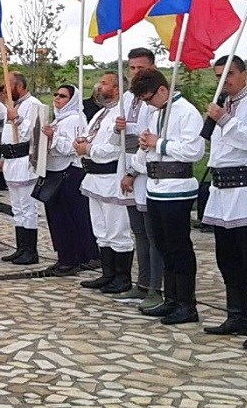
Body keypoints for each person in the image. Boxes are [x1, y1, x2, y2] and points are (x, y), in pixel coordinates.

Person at [200, 55, 247, 349]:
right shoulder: (222, 106)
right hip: (221, 191)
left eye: (229, 73)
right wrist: (219, 117)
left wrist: (226, 121)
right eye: (219, 75)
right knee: (227, 259)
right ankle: (238, 314)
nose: (225, 80)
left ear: (244, 73)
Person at [128, 69, 205, 325]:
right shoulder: (156, 112)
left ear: (162, 90)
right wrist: (143, 150)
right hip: (156, 186)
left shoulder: (187, 112)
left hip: (177, 188)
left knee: (178, 246)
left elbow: (194, 150)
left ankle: (186, 303)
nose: (148, 103)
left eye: (149, 98)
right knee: (162, 246)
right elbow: (149, 148)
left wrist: (159, 143)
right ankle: (171, 299)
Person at [76, 72, 135, 294]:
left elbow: (114, 147)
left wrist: (89, 149)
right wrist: (83, 142)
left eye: (103, 83)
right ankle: (107, 273)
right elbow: (91, 136)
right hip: (93, 178)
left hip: (111, 177)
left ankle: (122, 277)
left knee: (117, 229)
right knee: (101, 229)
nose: (98, 87)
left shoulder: (121, 114)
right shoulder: (101, 112)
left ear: (117, 88)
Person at [117, 47, 166, 310]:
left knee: (152, 232)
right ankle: (143, 282)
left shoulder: (155, 100)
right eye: (132, 68)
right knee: (139, 231)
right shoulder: (127, 97)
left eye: (141, 68)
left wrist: (133, 171)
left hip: (145, 168)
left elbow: (148, 136)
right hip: (129, 160)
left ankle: (156, 287)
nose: (136, 73)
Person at [42, 84, 98, 277]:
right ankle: (63, 256)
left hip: (68, 173)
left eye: (63, 96)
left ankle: (72, 257)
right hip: (55, 170)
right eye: (56, 94)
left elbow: (74, 147)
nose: (57, 99)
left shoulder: (76, 119)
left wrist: (54, 137)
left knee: (68, 218)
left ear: (72, 100)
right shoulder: (59, 119)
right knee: (57, 218)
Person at [0, 73, 41, 266]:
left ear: (20, 86)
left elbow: (33, 132)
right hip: (11, 161)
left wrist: (19, 119)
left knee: (27, 207)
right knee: (17, 208)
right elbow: (8, 134)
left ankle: (30, 250)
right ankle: (20, 247)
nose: (5, 91)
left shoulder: (32, 105)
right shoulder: (13, 106)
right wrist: (2, 157)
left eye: (8, 86)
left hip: (24, 161)